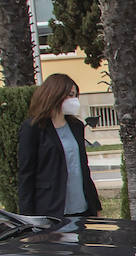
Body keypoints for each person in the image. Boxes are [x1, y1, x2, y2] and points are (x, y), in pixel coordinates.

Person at [16, 73, 101, 218]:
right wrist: (27, 217)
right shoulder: (33, 128)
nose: (73, 100)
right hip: (51, 209)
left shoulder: (76, 126)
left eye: (75, 95)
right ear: (54, 95)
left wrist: (96, 206)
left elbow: (83, 168)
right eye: (69, 95)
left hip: (82, 208)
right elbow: (26, 174)